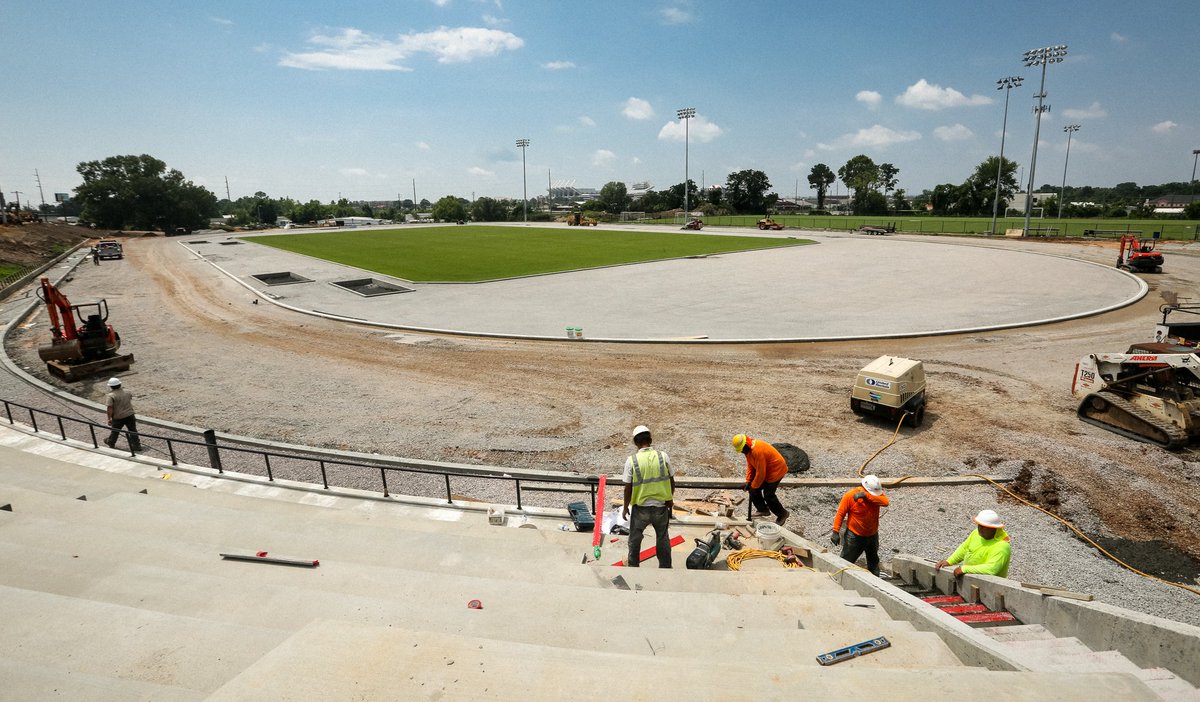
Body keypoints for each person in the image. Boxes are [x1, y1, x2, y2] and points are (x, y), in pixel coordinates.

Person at [621, 425, 675, 568]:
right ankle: (665, 567)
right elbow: (671, 480)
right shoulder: (663, 456)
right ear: (650, 439)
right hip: (661, 508)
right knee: (662, 538)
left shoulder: (632, 460)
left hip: (640, 510)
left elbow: (628, 488)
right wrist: (669, 499)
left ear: (635, 442)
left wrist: (626, 507)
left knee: (634, 540)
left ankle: (633, 567)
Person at [831, 474, 889, 576]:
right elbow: (840, 513)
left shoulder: (875, 496)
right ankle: (840, 578)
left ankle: (875, 581)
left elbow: (886, 502)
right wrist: (835, 531)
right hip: (854, 536)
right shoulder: (850, 496)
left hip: (872, 535)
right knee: (846, 562)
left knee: (873, 561)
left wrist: (866, 496)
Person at [732, 433, 789, 525]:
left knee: (768, 495)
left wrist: (754, 486)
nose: (742, 452)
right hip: (767, 470)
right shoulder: (748, 450)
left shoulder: (757, 451)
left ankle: (783, 514)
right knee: (753, 489)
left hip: (776, 470)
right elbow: (751, 465)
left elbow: (761, 473)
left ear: (746, 445)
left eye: (742, 449)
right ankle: (763, 509)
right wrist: (748, 481)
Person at [935, 509, 1011, 578]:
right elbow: (964, 548)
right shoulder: (976, 534)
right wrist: (950, 561)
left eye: (984, 527)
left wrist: (964, 569)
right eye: (979, 525)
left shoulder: (1002, 546)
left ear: (994, 528)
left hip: (991, 587)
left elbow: (992, 568)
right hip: (972, 580)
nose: (980, 529)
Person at [104, 377, 142, 453]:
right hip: (130, 415)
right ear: (120, 384)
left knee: (115, 431)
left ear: (110, 386)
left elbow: (110, 408)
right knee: (133, 430)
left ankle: (111, 442)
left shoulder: (111, 396)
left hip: (118, 417)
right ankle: (137, 446)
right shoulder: (127, 392)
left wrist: (109, 418)